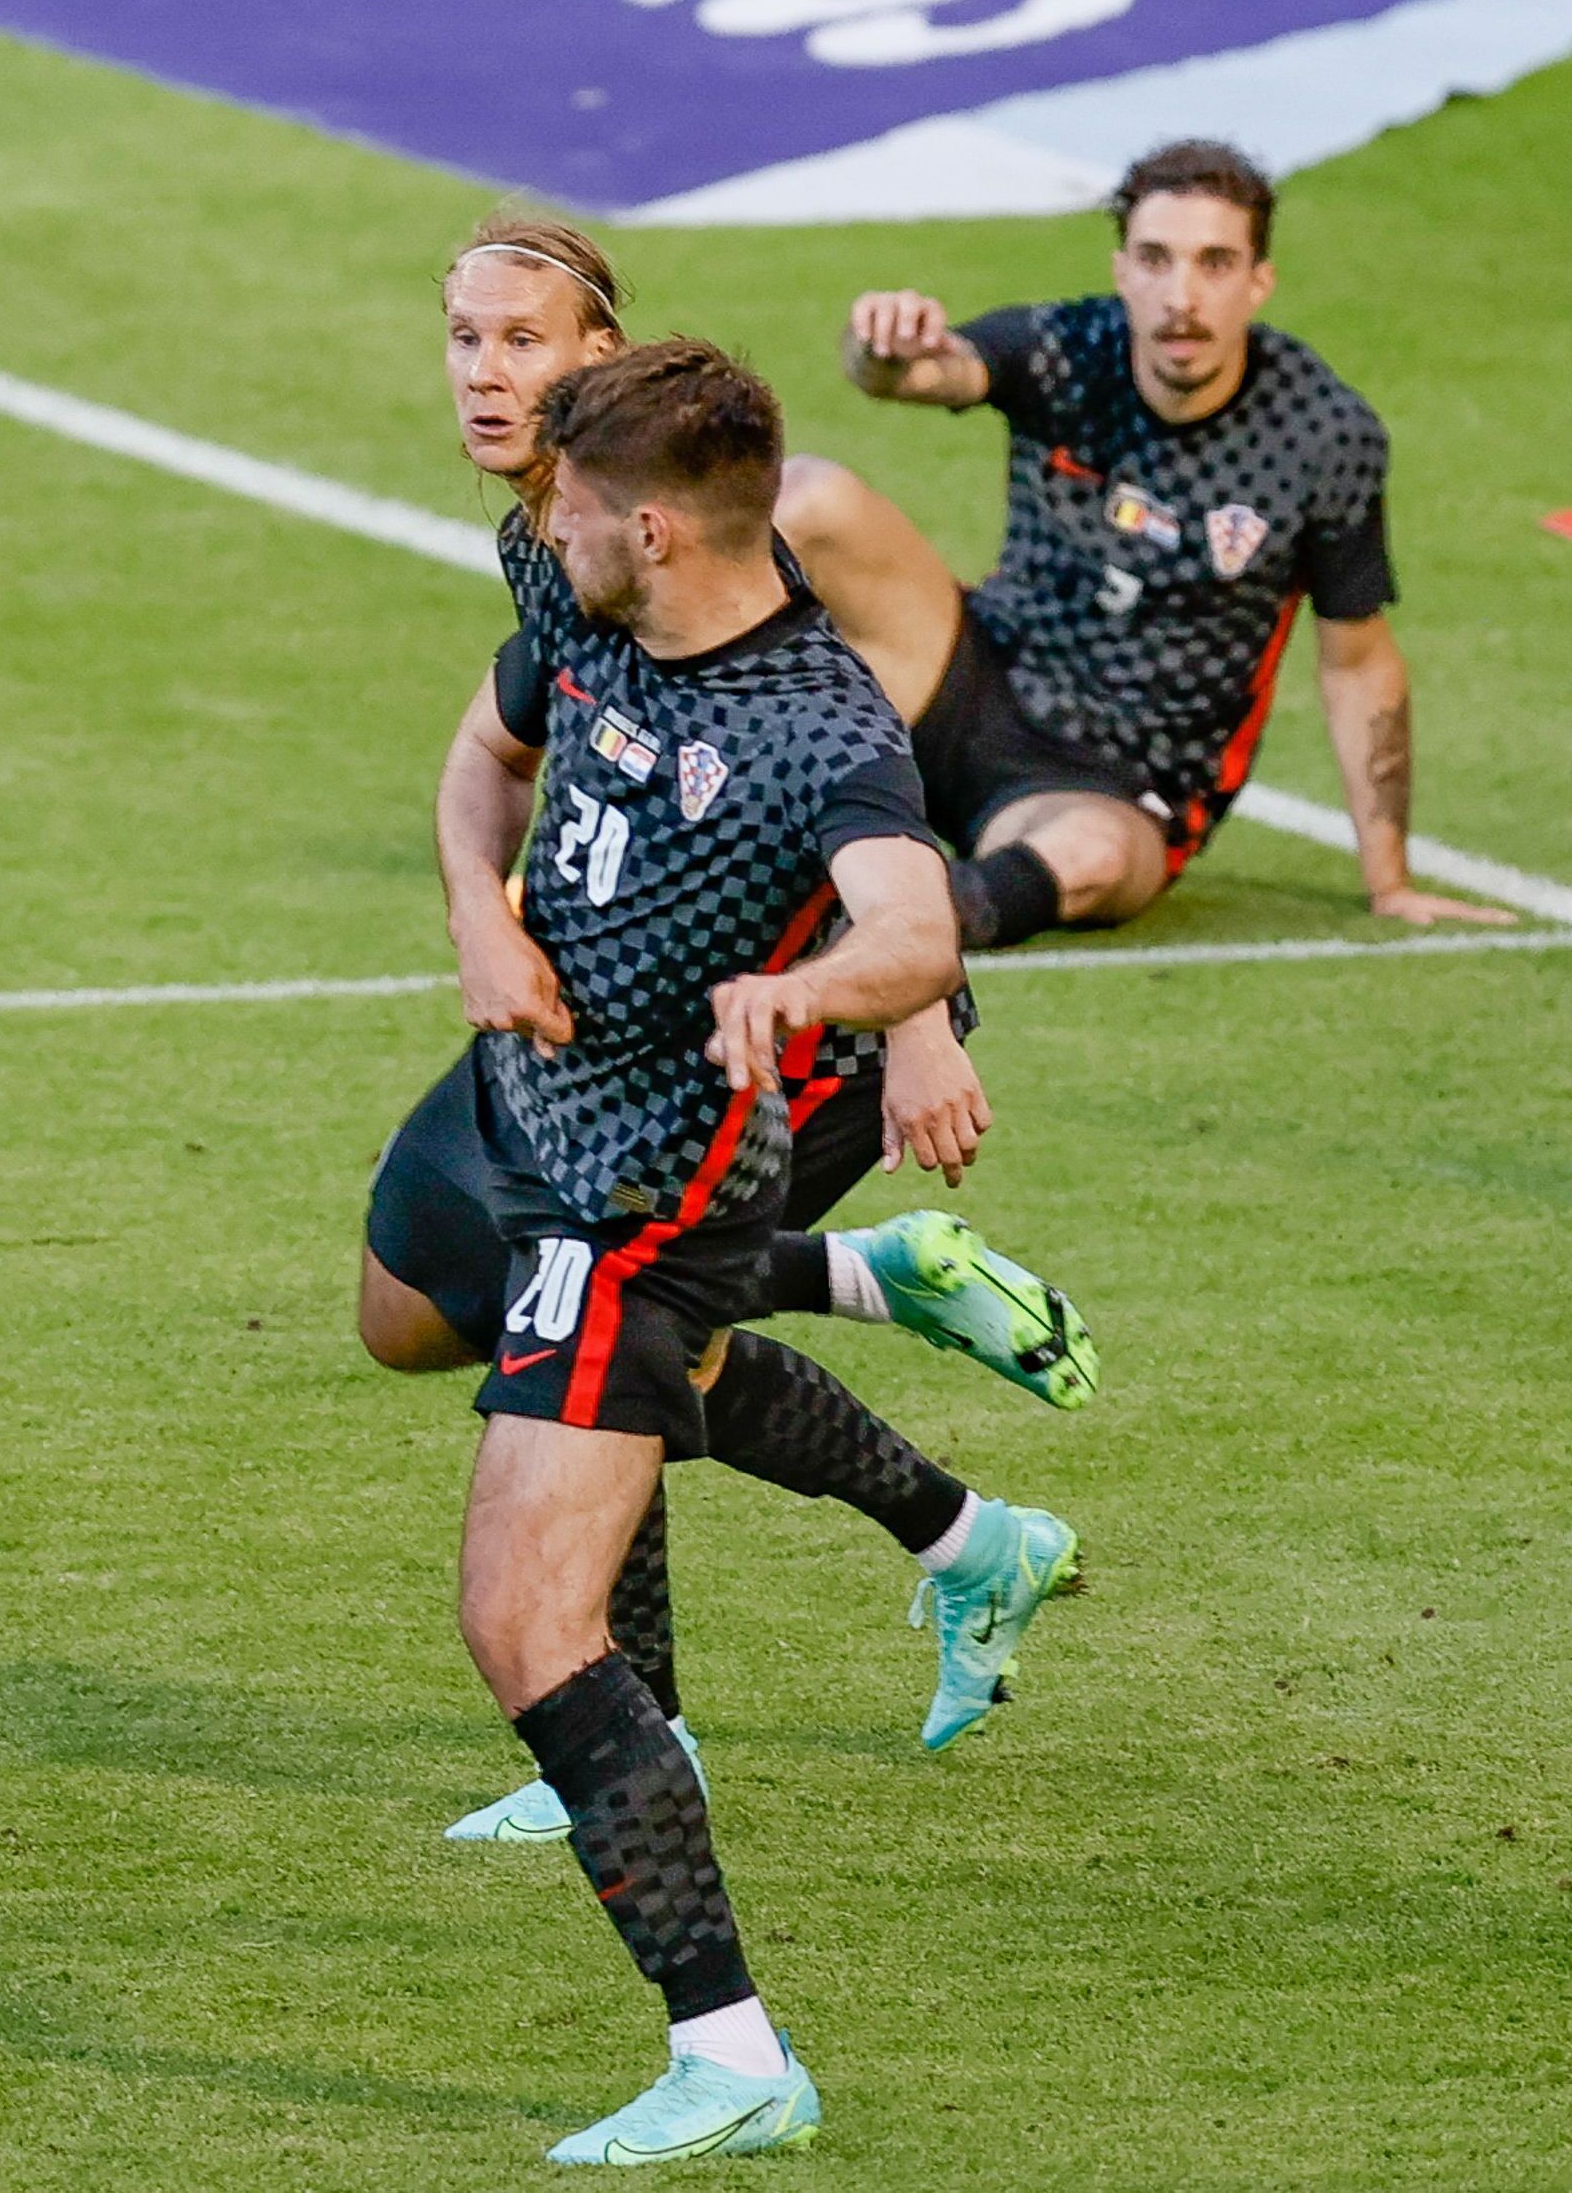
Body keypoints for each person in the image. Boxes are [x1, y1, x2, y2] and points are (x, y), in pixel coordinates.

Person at [382, 221, 1094, 1849]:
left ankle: (652, 1736)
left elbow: (881, 742)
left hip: (809, 1024)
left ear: (604, 356)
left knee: (597, 1348)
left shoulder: (771, 509)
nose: (489, 375)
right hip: (622, 1014)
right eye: (464, 340)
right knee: (432, 1306)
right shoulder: (549, 542)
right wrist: (483, 913)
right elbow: (509, 741)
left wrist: (915, 1026)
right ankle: (929, 1444)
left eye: (525, 342)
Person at [409, 341, 996, 2161]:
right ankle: (729, 2046)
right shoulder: (590, 615)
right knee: (483, 1518)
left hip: (647, 1203)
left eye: (574, 504)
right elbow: (481, 760)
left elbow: (913, 924)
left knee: (528, 1619)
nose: (546, 521)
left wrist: (810, 990)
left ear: (653, 526)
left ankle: (735, 2058)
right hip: (542, 1141)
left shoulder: (817, 719)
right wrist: (484, 928)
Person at [810, 139, 1503, 944]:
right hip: (965, 676)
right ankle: (654, 754)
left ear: (1259, 281)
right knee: (813, 495)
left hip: (1114, 782)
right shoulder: (1066, 349)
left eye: (1215, 262)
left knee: (1093, 858)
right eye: (1157, 259)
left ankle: (890, 918)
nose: (1182, 296)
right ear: (1123, 271)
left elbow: (1358, 660)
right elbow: (925, 374)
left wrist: (1390, 881)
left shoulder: (1321, 435)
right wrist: (880, 348)